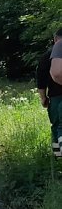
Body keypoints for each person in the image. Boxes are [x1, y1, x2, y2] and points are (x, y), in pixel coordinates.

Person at [38, 28, 62, 157]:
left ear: (55, 39)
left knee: (57, 127)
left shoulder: (46, 56)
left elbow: (41, 81)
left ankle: (58, 158)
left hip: (55, 97)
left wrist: (43, 98)